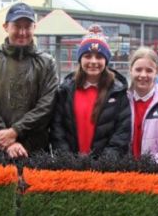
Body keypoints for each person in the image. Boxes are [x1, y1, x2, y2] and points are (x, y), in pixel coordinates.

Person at [0, 2, 58, 158]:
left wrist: (15, 131)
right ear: (6, 27)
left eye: (27, 27)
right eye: (17, 26)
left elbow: (47, 105)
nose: (22, 32)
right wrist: (8, 141)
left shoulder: (47, 63)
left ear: (35, 28)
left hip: (36, 149)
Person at [50, 25, 130, 158]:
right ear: (80, 59)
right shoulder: (65, 91)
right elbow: (57, 130)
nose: (93, 61)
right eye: (88, 56)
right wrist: (68, 160)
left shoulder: (118, 92)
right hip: (71, 166)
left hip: (104, 168)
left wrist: (103, 164)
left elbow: (121, 134)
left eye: (99, 56)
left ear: (106, 60)